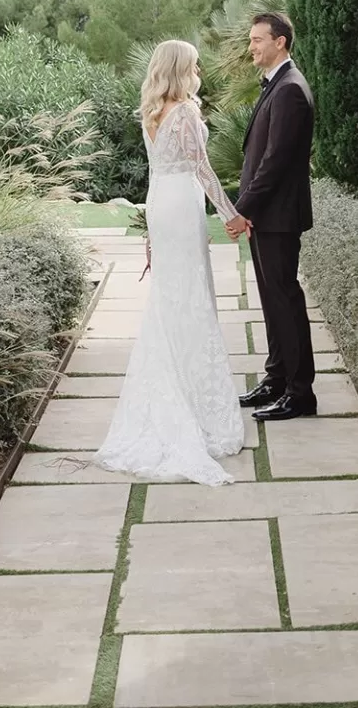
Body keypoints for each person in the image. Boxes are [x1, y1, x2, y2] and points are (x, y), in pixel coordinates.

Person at [92, 40, 245, 485]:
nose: (200, 69)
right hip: (182, 203)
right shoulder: (186, 112)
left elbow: (158, 169)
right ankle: (197, 407)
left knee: (171, 295)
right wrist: (231, 214)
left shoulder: (152, 112)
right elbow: (202, 169)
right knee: (192, 293)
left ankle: (178, 389)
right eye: (195, 63)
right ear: (182, 69)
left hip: (161, 202)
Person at [226, 11, 316, 420]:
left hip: (278, 216)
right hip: (268, 217)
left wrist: (241, 210)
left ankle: (300, 394)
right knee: (271, 301)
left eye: (258, 40)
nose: (252, 47)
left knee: (285, 301)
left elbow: (275, 162)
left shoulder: (290, 90)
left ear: (280, 41)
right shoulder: (276, 85)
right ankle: (277, 379)